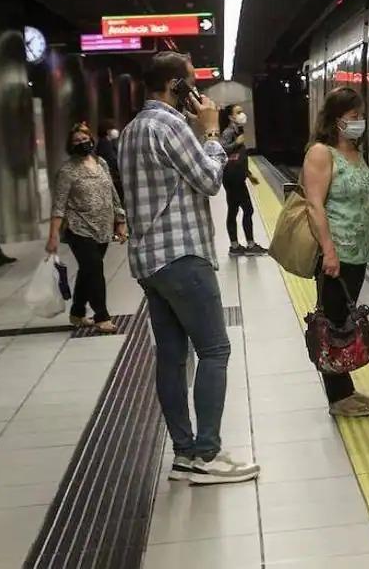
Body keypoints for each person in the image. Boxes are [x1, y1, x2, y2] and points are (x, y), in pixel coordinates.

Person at [119, 52, 259, 485]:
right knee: (215, 350)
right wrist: (213, 131)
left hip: (149, 262)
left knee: (172, 358)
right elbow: (210, 180)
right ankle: (207, 454)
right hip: (182, 256)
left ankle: (183, 454)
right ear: (177, 87)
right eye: (192, 84)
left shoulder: (131, 130)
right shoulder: (172, 126)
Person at [303, 86, 369, 419]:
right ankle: (338, 398)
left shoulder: (355, 152)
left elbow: (364, 202)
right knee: (332, 323)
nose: (360, 122)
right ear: (336, 119)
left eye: (361, 116)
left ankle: (346, 390)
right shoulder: (321, 154)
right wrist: (328, 252)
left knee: (344, 322)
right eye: (354, 117)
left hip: (358, 252)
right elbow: (314, 205)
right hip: (336, 253)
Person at [46, 123, 127, 332]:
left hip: (102, 227)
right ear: (70, 146)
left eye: (84, 139)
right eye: (76, 141)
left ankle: (77, 312)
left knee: (88, 270)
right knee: (95, 269)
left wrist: (120, 221)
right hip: (78, 228)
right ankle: (102, 316)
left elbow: (112, 193)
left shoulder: (101, 163)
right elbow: (59, 204)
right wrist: (53, 235)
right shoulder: (67, 171)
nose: (82, 143)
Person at [220, 104, 264, 256]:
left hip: (236, 176)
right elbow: (222, 149)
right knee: (246, 210)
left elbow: (238, 158)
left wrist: (248, 174)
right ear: (231, 117)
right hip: (233, 178)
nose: (242, 114)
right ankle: (248, 246)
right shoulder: (229, 132)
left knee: (234, 210)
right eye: (238, 112)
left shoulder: (237, 130)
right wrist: (236, 143)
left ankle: (236, 246)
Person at [95, 120, 124, 205]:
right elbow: (112, 160)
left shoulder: (108, 142)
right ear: (107, 130)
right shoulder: (104, 143)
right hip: (111, 178)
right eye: (113, 128)